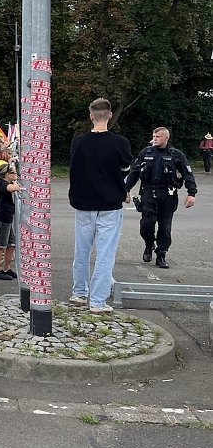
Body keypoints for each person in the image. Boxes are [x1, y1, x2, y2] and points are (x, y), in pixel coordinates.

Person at [68, 98, 133, 313]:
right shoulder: (120, 142)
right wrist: (123, 190)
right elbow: (125, 169)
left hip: (83, 202)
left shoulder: (78, 141)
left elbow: (75, 169)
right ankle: (97, 301)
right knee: (105, 253)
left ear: (91, 116)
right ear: (110, 115)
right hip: (109, 204)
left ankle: (79, 293)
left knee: (82, 251)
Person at [125, 127, 197, 269]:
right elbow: (134, 172)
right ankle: (149, 244)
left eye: (158, 136)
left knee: (165, 227)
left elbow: (188, 174)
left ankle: (161, 254)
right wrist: (125, 189)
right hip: (148, 192)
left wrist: (191, 193)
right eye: (154, 136)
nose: (155, 138)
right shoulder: (146, 152)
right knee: (146, 224)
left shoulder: (176, 155)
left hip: (168, 194)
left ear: (166, 138)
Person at [0, 162, 20, 281]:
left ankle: (6, 268)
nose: (16, 175)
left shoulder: (4, 182)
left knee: (11, 244)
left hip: (7, 217)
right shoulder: (1, 183)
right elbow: (11, 188)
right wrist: (17, 185)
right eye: (13, 173)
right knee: (0, 244)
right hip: (1, 217)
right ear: (6, 174)